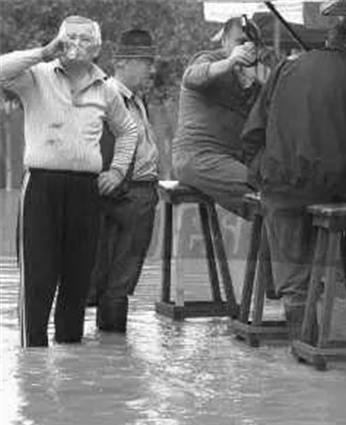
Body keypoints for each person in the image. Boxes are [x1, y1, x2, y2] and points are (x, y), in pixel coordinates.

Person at [0, 16, 138, 347]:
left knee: (77, 279)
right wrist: (44, 52)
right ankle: (32, 364)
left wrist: (117, 171)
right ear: (59, 41)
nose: (76, 42)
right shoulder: (36, 76)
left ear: (97, 48)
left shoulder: (106, 88)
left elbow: (127, 130)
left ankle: (71, 364)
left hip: (86, 189)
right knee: (38, 278)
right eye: (69, 36)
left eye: (84, 37)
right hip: (42, 186)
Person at [242, 17, 346, 340]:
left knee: (293, 276)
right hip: (329, 190)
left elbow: (252, 132)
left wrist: (261, 170)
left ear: (329, 39)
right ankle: (317, 338)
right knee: (323, 251)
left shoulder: (287, 67)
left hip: (281, 185)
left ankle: (303, 346)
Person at [88, 29, 160, 333]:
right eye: (145, 62)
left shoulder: (135, 99)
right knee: (116, 279)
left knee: (115, 278)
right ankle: (112, 349)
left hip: (136, 193)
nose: (150, 69)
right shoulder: (108, 97)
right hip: (124, 194)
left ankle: (109, 356)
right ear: (124, 63)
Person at [172, 16, 273, 216]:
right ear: (224, 40)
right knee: (264, 192)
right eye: (240, 42)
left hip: (233, 158)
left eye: (252, 43)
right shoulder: (209, 59)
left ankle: (269, 245)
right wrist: (231, 61)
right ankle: (273, 245)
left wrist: (266, 85)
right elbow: (191, 77)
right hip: (199, 156)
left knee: (284, 187)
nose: (247, 48)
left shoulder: (255, 74)